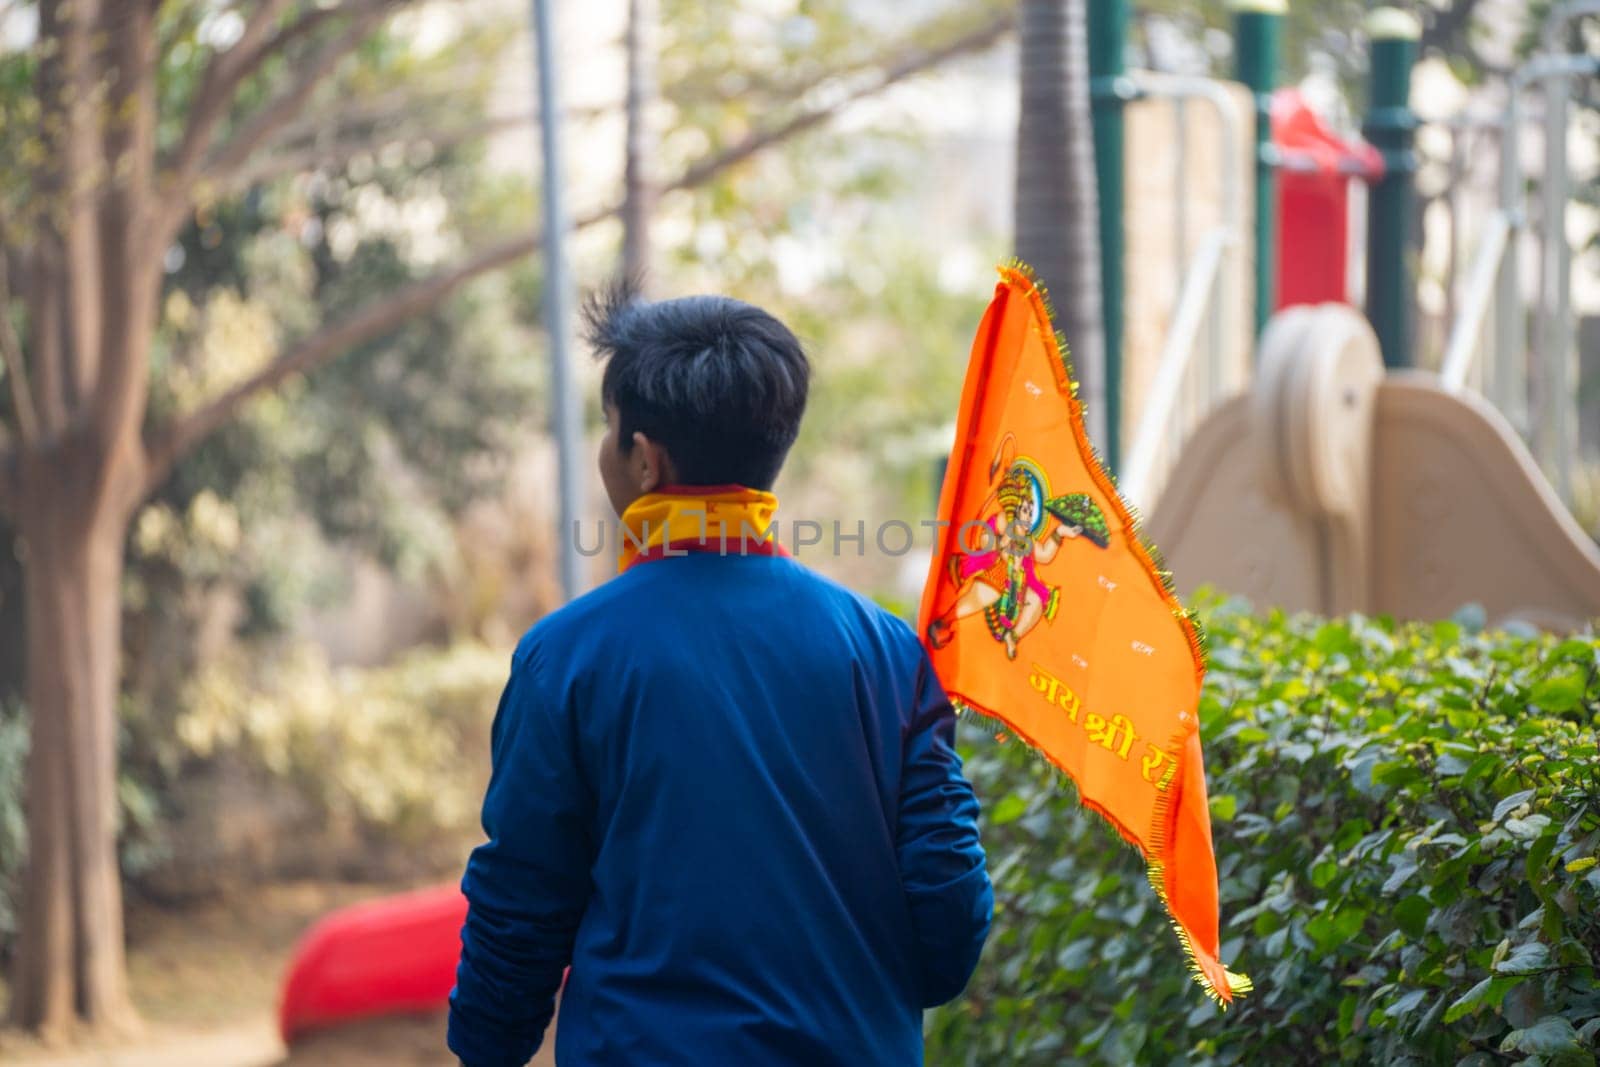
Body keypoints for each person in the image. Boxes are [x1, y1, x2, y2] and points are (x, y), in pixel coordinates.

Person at [447, 287, 992, 1066]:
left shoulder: (565, 658)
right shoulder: (890, 652)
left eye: (609, 429)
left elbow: (519, 914)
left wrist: (483, 1049)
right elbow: (949, 931)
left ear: (646, 458)